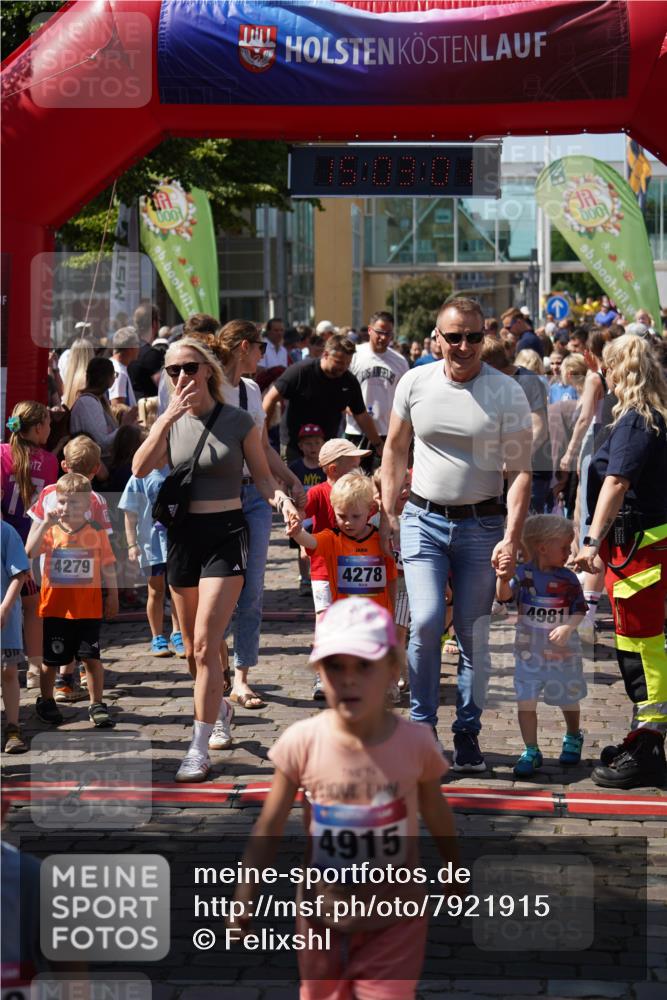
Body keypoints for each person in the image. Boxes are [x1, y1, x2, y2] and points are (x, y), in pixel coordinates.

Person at [230, 597, 456, 1000]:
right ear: (319, 671)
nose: (349, 679)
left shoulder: (415, 742)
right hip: (321, 916)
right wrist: (245, 895)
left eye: (364, 666)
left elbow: (436, 811)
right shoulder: (301, 741)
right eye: (335, 666)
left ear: (392, 669)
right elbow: (270, 826)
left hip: (397, 918)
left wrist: (454, 868)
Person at [132, 336, 300, 782]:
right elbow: (138, 467)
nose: (182, 377)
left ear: (208, 369)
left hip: (227, 534)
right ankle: (221, 704)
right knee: (193, 651)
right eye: (173, 371)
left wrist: (280, 499)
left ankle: (198, 746)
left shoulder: (239, 420)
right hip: (183, 538)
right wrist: (165, 419)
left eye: (189, 368)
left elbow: (262, 478)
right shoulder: (170, 420)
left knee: (207, 643)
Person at [380, 296, 532, 772]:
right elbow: (394, 448)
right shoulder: (415, 381)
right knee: (425, 621)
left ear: (485, 337)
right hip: (423, 520)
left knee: (472, 635)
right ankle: (422, 730)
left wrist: (511, 536)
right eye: (454, 336)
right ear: (437, 339)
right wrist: (389, 514)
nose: (463, 345)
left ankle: (467, 731)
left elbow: (521, 472)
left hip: (482, 526)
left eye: (473, 336)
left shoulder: (506, 392)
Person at [574, 334, 667, 789]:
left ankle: (649, 742)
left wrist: (590, 540)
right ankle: (643, 736)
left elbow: (616, 482)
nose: (604, 376)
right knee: (641, 646)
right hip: (645, 548)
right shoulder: (652, 417)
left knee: (641, 649)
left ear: (619, 370)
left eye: (607, 369)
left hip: (641, 551)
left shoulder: (636, 420)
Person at [216, 320, 307, 710]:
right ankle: (215, 670)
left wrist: (288, 479)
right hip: (217, 497)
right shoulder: (208, 385)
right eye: (258, 347)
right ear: (242, 347)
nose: (262, 354)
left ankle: (241, 676)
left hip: (255, 494)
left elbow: (262, 447)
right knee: (218, 590)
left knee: (251, 591)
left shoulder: (251, 390)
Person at [495, 515, 588, 778]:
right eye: (565, 546)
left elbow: (580, 610)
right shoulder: (523, 575)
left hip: (563, 655)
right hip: (528, 655)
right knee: (526, 702)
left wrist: (568, 627)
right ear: (543, 546)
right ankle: (531, 750)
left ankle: (572, 735)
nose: (569, 551)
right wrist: (503, 578)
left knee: (568, 698)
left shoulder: (569, 579)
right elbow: (504, 597)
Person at [25, 473, 119, 729]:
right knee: (51, 661)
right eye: (63, 502)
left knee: (91, 658)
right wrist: (44, 524)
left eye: (74, 504)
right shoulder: (51, 530)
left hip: (87, 609)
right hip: (56, 608)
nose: (66, 508)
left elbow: (109, 564)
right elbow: (29, 553)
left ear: (88, 506)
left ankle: (97, 703)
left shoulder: (96, 532)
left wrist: (113, 594)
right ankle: (46, 700)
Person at [1, 401, 58, 690]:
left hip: (5, 544)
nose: (50, 428)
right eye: (48, 423)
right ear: (37, 428)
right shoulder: (49, 461)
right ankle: (34, 667)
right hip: (31, 545)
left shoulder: (1, 455)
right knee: (33, 608)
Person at [263, 333, 383, 463]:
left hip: (326, 448)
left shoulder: (349, 381)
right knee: (294, 482)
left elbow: (361, 415)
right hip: (295, 445)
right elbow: (270, 399)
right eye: (339, 362)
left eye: (347, 363)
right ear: (325, 354)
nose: (343, 367)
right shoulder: (301, 372)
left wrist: (378, 444)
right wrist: (262, 435)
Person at [288, 472, 398, 614]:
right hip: (344, 619)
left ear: (370, 510)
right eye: (342, 516)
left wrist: (392, 612)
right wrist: (297, 532)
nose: (348, 522)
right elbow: (310, 541)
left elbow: (392, 579)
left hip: (377, 618)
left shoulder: (381, 541)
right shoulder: (331, 538)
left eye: (356, 516)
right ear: (333, 509)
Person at [481, 337, 552, 514]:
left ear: (489, 365)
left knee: (526, 533)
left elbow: (539, 430)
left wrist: (513, 460)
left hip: (530, 471)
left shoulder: (529, 381)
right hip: (497, 473)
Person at [120, 466, 185, 658]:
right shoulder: (139, 474)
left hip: (176, 541)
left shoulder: (177, 468)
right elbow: (129, 514)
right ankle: (157, 636)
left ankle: (178, 633)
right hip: (150, 543)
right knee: (155, 591)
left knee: (178, 590)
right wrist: (131, 544)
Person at [345, 311, 409, 471]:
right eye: (379, 332)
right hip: (357, 430)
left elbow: (405, 398)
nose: (383, 338)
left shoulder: (399, 362)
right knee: (354, 483)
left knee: (383, 481)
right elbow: (341, 391)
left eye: (388, 334)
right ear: (369, 330)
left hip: (387, 431)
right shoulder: (354, 355)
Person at [70, 357, 137, 458]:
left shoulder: (98, 400)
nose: (115, 378)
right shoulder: (88, 403)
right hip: (95, 465)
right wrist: (124, 425)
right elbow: (102, 443)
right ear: (108, 378)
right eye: (115, 375)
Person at [1, 515, 30, 753]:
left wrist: (4, 608)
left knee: (8, 671)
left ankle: (12, 727)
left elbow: (18, 574)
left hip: (5, 620)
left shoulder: (6, 532)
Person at [288, 423, 326, 595]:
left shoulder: (326, 467)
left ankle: (322, 575)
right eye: (309, 444)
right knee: (301, 549)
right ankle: (304, 578)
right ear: (301, 446)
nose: (313, 447)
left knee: (321, 545)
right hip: (302, 513)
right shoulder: (295, 467)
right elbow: (285, 486)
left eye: (317, 443)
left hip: (320, 513)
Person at [128, 302, 163, 400]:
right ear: (154, 324)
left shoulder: (128, 349)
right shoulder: (152, 354)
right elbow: (162, 386)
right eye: (159, 321)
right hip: (149, 410)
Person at [109, 326, 140, 406]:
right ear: (130, 348)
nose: (139, 348)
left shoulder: (114, 366)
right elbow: (117, 408)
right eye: (137, 344)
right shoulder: (119, 373)